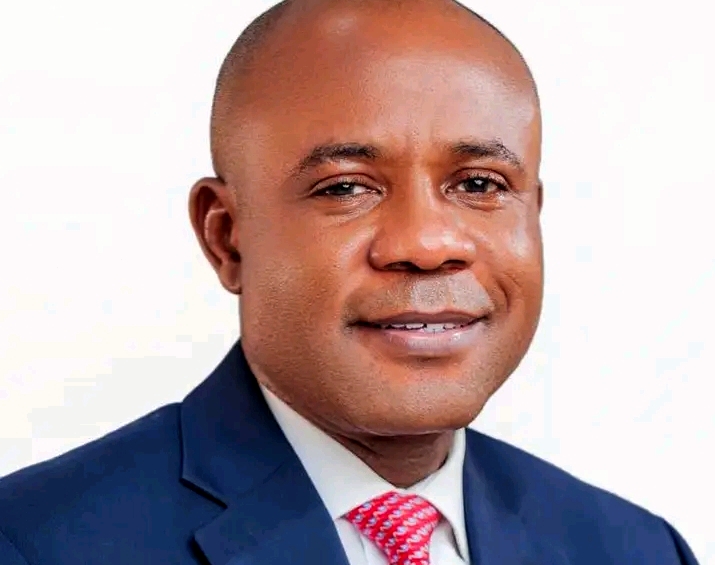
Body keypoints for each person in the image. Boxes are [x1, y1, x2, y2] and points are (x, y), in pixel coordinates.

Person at [0, 0, 700, 563]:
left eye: (480, 185)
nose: (426, 245)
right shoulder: (33, 544)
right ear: (227, 236)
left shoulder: (635, 549)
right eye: (345, 187)